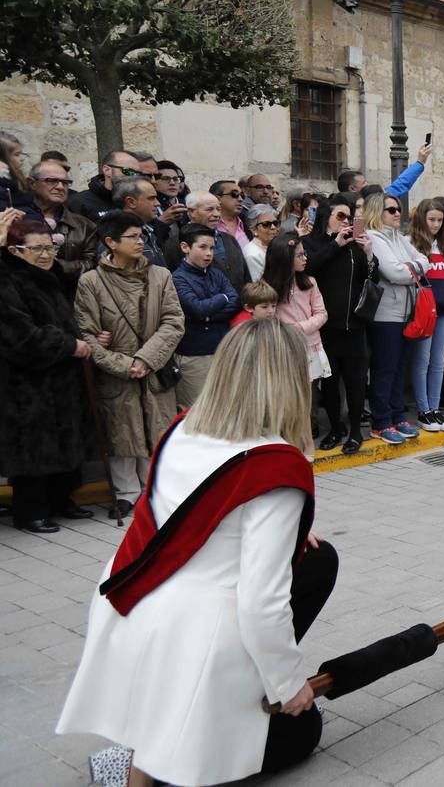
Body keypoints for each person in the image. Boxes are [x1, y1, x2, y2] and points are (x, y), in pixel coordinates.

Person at [57, 320, 339, 787]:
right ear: (291, 380)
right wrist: (290, 687)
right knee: (302, 730)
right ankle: (165, 760)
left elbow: (186, 517)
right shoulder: (277, 466)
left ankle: (149, 736)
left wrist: (292, 533)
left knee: (319, 559)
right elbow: (259, 602)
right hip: (195, 633)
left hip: (131, 598)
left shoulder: (184, 426)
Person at [75, 212, 185, 512]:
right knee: (122, 431)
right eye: (133, 237)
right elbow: (88, 333)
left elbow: (174, 321)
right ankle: (126, 492)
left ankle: (155, 489)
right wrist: (124, 365)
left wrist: (146, 359)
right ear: (110, 242)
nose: (140, 242)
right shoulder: (91, 282)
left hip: (154, 367)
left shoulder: (160, 275)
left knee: (156, 429)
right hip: (115, 373)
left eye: (142, 236)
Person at [0, 214, 97, 532]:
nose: (45, 255)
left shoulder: (50, 275)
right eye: (36, 249)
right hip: (27, 381)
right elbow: (20, 334)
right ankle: (31, 511)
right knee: (34, 445)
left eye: (49, 248)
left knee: (65, 436)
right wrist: (69, 344)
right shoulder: (8, 280)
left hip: (62, 376)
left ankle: (61, 500)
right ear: (14, 251)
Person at [303, 193, 372, 454]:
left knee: (355, 382)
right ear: (326, 217)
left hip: (355, 327)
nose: (345, 222)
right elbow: (308, 270)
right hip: (325, 328)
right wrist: (335, 245)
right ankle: (335, 429)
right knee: (330, 384)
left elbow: (370, 281)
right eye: (340, 216)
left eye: (349, 217)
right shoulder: (310, 243)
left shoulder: (356, 245)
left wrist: (368, 254)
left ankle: (355, 431)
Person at [364, 190, 430, 444]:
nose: (397, 213)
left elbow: (423, 260)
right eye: (391, 210)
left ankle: (398, 414)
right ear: (376, 212)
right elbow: (394, 273)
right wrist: (413, 268)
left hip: (407, 313)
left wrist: (411, 267)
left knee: (400, 367)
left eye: (398, 209)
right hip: (385, 315)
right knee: (384, 369)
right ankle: (381, 422)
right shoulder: (374, 237)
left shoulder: (399, 238)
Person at [171, 223, 241, 408]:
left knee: (225, 406)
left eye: (211, 247)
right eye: (202, 247)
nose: (209, 253)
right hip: (194, 355)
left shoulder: (216, 274)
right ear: (185, 247)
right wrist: (221, 299)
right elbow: (197, 309)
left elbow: (235, 301)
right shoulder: (177, 278)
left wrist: (209, 314)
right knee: (197, 409)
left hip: (221, 348)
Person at [408, 198, 444, 431]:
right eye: (432, 219)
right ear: (422, 218)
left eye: (440, 220)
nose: (436, 224)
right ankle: (423, 411)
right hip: (423, 313)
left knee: (438, 362)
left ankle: (435, 408)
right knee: (422, 361)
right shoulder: (410, 243)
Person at [18, 159, 99, 291]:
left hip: (69, 298)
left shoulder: (84, 225)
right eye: (51, 181)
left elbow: (91, 265)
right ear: (31, 183)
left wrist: (54, 264)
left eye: (66, 183)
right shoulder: (15, 219)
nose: (60, 187)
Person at [262, 237, 329, 382]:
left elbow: (322, 314)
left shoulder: (310, 283)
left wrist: (299, 328)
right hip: (282, 347)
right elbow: (264, 317)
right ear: (284, 258)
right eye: (299, 255)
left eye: (304, 253)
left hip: (309, 345)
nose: (305, 258)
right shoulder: (267, 287)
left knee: (309, 394)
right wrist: (286, 331)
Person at [164, 190, 251, 293]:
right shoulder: (177, 242)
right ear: (191, 212)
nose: (216, 214)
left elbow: (246, 276)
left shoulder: (229, 239)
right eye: (210, 209)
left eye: (218, 209)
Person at [67, 150, 140, 221]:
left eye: (137, 174)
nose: (133, 177)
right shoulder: (78, 203)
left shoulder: (138, 201)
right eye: (128, 171)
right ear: (107, 170)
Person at [243, 204, 283, 279]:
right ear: (254, 229)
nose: (273, 227)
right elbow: (259, 287)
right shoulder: (252, 255)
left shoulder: (273, 246)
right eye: (266, 224)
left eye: (275, 223)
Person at [210, 179, 251, 252]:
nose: (241, 199)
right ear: (218, 199)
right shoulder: (206, 224)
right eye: (234, 194)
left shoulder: (248, 223)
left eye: (242, 195)